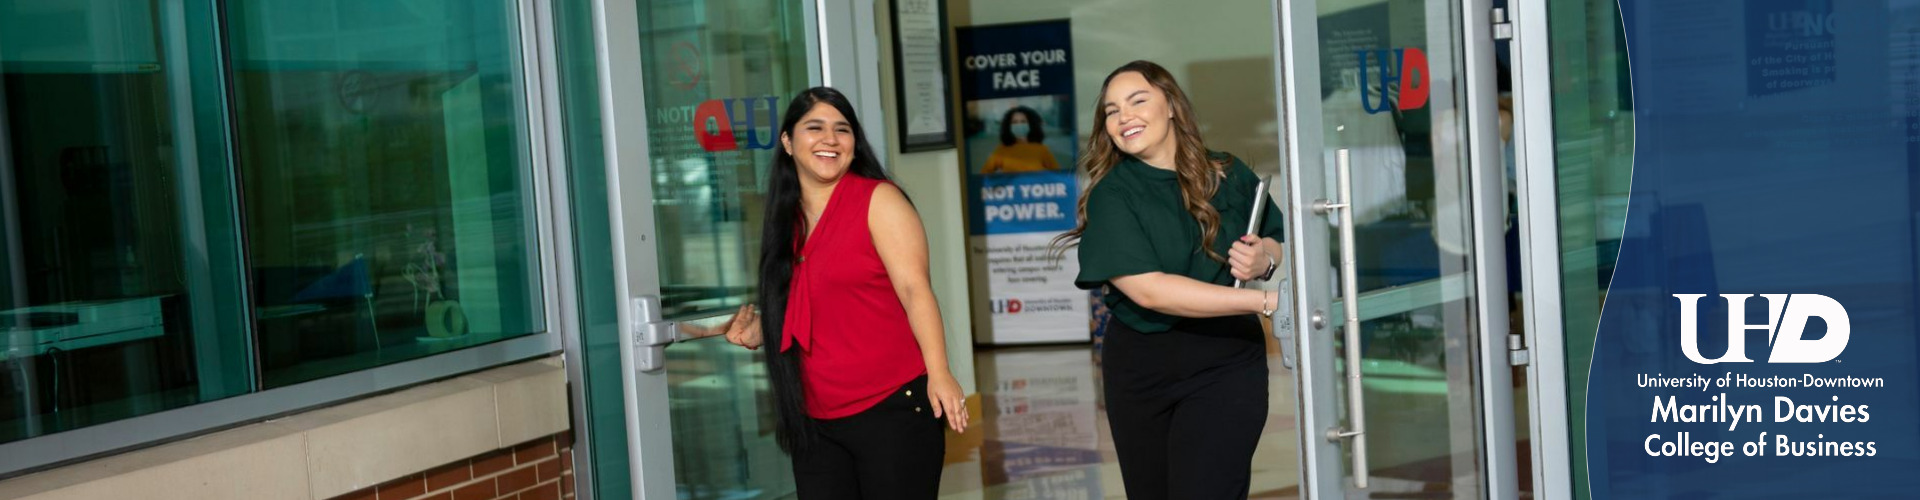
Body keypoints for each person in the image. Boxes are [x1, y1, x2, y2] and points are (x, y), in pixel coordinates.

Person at [716, 86, 968, 500]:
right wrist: (767, 328)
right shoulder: (785, 218)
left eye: (842, 129)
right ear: (787, 142)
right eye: (814, 128)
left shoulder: (878, 200)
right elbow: (814, 298)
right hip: (814, 419)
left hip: (892, 407)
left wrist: (939, 372)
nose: (830, 139)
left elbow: (914, 289)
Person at [1052, 60, 1285, 500]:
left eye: (1138, 101)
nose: (1125, 117)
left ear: (1172, 106)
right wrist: (1264, 301)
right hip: (1143, 367)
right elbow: (1149, 289)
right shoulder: (1113, 195)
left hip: (1226, 360)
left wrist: (1264, 261)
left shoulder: (1228, 172)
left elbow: (1277, 237)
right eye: (1112, 111)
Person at [981, 106, 1061, 174]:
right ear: (1008, 126)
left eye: (1023, 121)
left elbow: (1058, 174)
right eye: (1014, 122)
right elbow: (984, 173)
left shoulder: (1042, 149)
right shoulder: (1002, 150)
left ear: (1031, 124)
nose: (1019, 125)